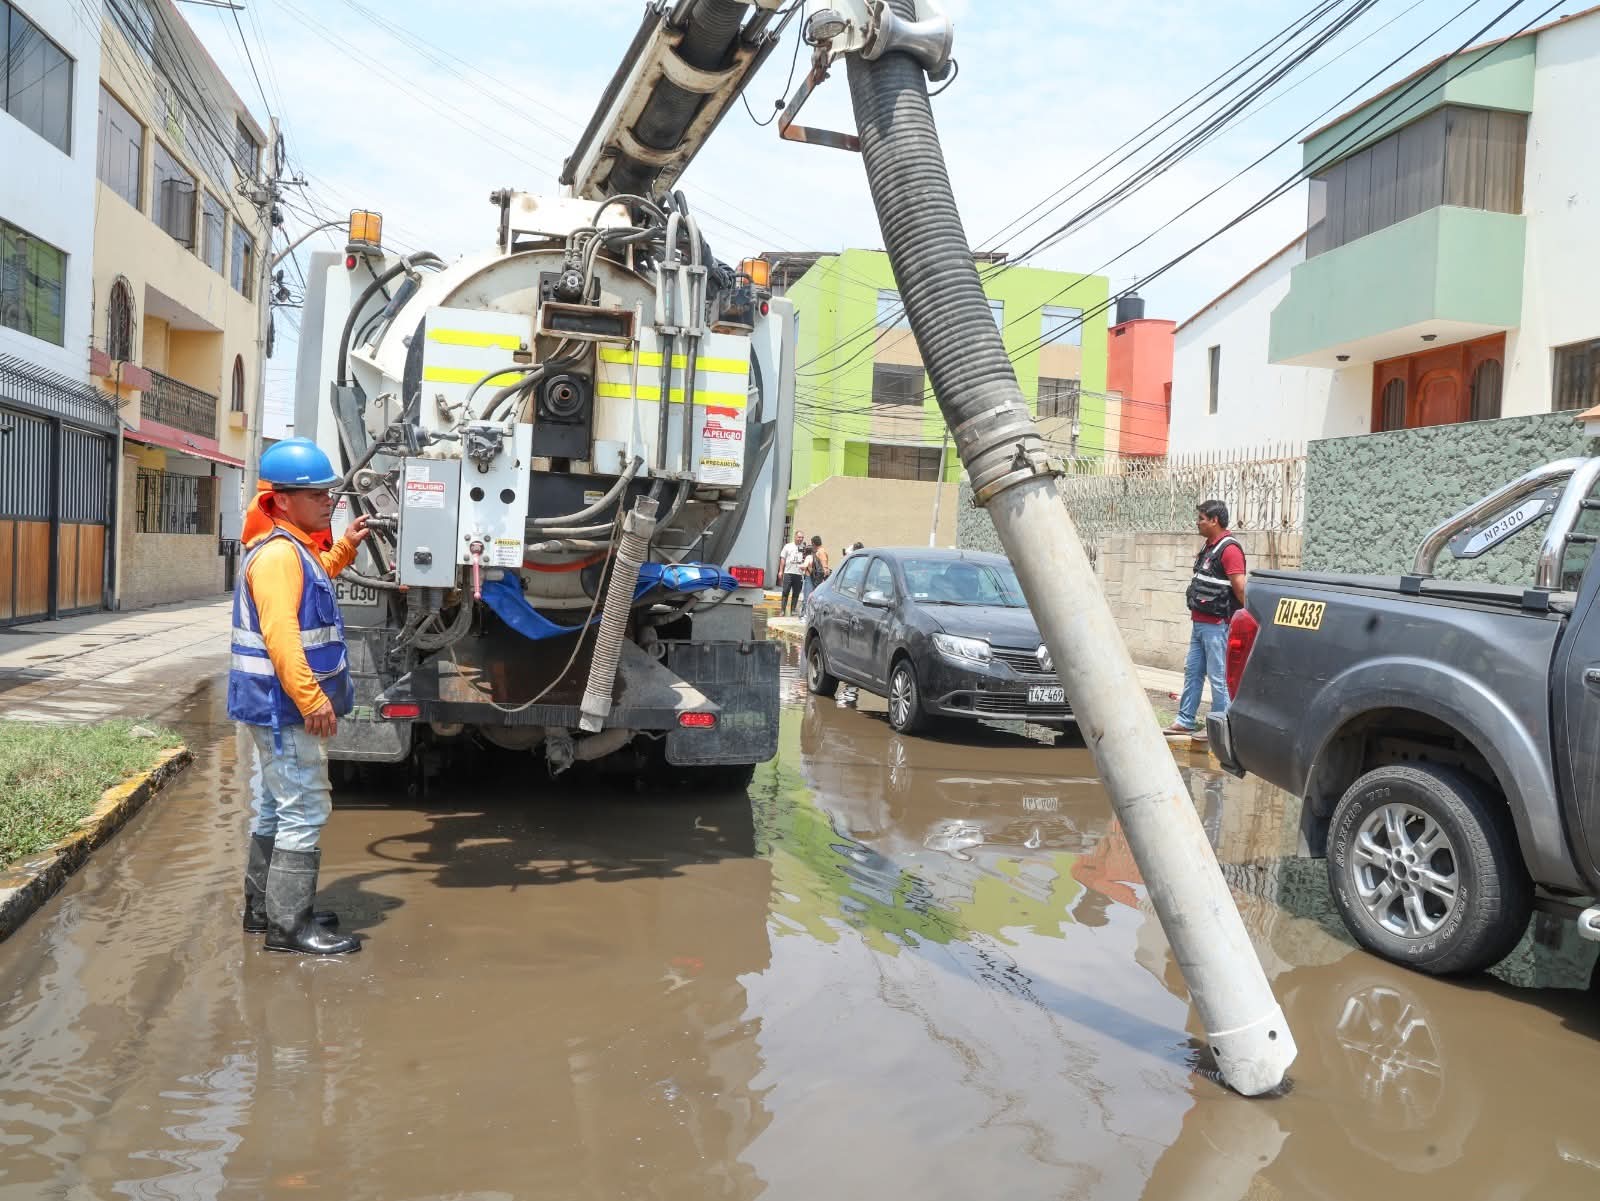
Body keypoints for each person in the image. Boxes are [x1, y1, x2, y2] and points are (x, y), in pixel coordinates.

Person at [232, 438, 370, 956]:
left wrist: (347, 546)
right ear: (282, 500)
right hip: (283, 707)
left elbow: (318, 579)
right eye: (317, 496)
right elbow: (282, 636)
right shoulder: (277, 558)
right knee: (303, 809)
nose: (328, 502)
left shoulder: (292, 549)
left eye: (330, 494)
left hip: (271, 704)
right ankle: (290, 930)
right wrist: (313, 700)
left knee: (272, 807)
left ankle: (263, 909)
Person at [1165, 500, 1246, 743]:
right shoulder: (1210, 547)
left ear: (1214, 520)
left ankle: (1222, 726)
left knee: (1219, 676)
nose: (1197, 522)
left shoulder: (1230, 550)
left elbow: (1240, 588)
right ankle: (1185, 720)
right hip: (1200, 624)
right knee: (1193, 672)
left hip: (1218, 625)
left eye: (1201, 518)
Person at [800, 534, 830, 617]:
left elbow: (824, 565)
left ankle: (806, 615)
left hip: (815, 577)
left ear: (813, 543)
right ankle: (808, 614)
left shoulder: (821, 552)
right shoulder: (820, 551)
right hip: (815, 577)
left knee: (809, 596)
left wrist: (825, 573)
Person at [778, 531, 807, 617]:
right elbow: (782, 559)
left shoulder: (804, 548)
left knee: (796, 593)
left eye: (802, 537)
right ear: (795, 537)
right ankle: (782, 610)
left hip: (799, 574)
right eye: (799, 537)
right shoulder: (788, 546)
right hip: (788, 573)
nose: (800, 539)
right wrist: (781, 571)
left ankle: (793, 610)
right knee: (785, 591)